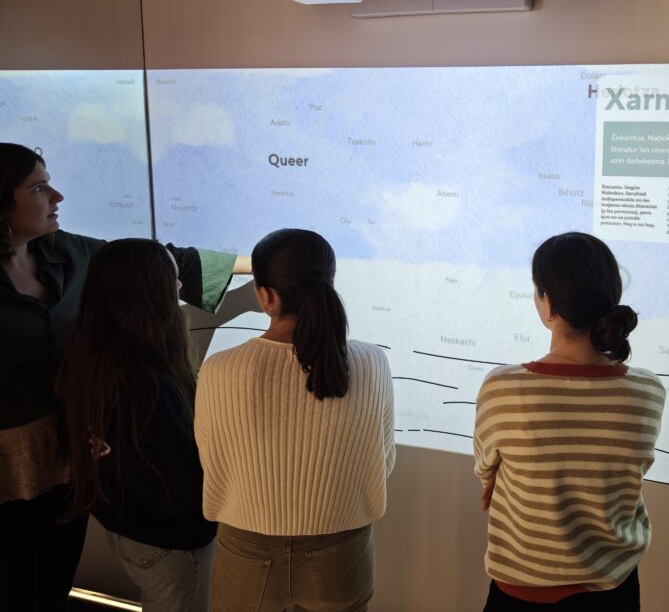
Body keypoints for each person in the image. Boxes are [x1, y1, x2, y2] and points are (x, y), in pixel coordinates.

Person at [0, 142, 241, 611]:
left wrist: (274, 266)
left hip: (72, 463)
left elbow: (153, 264)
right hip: (10, 470)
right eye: (39, 188)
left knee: (52, 580)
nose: (57, 197)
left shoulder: (71, 252)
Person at [195, 228, 395, 612]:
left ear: (266, 296)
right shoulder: (372, 362)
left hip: (246, 547)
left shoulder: (219, 369)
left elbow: (213, 464)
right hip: (341, 547)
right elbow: (383, 459)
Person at [474, 232, 666, 612]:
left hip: (520, 590)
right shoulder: (648, 391)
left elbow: (486, 472)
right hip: (613, 593)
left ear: (548, 304)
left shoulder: (502, 388)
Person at [56, 239, 216, 612]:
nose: (180, 287)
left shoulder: (87, 358)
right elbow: (180, 488)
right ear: (148, 294)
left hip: (128, 529)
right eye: (173, 279)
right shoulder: (147, 385)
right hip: (171, 542)